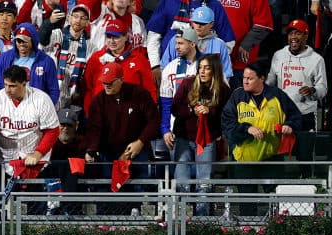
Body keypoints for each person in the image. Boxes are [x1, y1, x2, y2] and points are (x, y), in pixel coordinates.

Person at [221, 60, 302, 211]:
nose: (245, 81)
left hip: (271, 159)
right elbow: (227, 124)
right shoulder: (237, 96)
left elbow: (296, 116)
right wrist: (246, 129)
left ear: (262, 79)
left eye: (250, 78)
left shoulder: (277, 95)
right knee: (247, 205)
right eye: (244, 77)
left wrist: (289, 125)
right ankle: (247, 231)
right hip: (244, 160)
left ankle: (275, 231)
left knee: (275, 204)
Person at [83, 61, 159, 211]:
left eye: (111, 82)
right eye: (104, 82)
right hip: (109, 151)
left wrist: (141, 141)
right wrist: (90, 149)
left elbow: (154, 120)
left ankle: (141, 219)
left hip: (135, 149)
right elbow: (94, 128)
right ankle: (106, 222)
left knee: (140, 183)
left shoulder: (139, 94)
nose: (107, 86)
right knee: (106, 184)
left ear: (121, 80)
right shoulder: (98, 101)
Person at [0, 63, 60, 206]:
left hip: (35, 162)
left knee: (36, 207)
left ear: (24, 84)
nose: (7, 90)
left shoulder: (41, 99)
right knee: (3, 207)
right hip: (6, 160)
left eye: (12, 86)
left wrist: (38, 154)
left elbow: (52, 131)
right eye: (5, 85)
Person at [168, 53, 230, 215]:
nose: (202, 72)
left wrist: (210, 111)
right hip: (183, 138)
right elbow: (174, 108)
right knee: (182, 182)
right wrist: (190, 110)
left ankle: (202, 221)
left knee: (204, 182)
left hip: (207, 141)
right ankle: (181, 219)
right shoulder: (188, 83)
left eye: (207, 68)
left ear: (214, 71)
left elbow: (226, 116)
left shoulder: (223, 90)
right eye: (200, 68)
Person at [267, 19, 327, 169]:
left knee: (305, 155)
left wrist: (312, 90)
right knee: (277, 153)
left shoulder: (317, 60)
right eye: (290, 33)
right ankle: (277, 186)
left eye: (298, 33)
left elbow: (323, 87)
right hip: (282, 113)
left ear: (306, 36)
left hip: (305, 113)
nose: (293, 37)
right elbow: (270, 82)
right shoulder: (278, 55)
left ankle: (308, 184)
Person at [82, 19, 155, 113]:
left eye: (116, 37)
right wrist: (90, 114)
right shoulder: (96, 58)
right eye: (108, 36)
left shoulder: (139, 59)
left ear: (126, 37)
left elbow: (150, 90)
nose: (111, 41)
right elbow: (88, 89)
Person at [0, 22, 59, 105]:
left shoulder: (46, 61)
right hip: (8, 106)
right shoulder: (4, 58)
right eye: (18, 40)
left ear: (33, 41)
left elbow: (53, 90)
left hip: (36, 107)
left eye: (25, 41)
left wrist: (46, 109)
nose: (21, 44)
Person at [41, 3, 91, 113]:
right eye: (76, 16)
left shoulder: (91, 46)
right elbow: (42, 39)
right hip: (50, 91)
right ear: (69, 17)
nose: (78, 20)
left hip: (72, 98)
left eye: (83, 18)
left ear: (87, 22)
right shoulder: (57, 34)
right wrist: (49, 22)